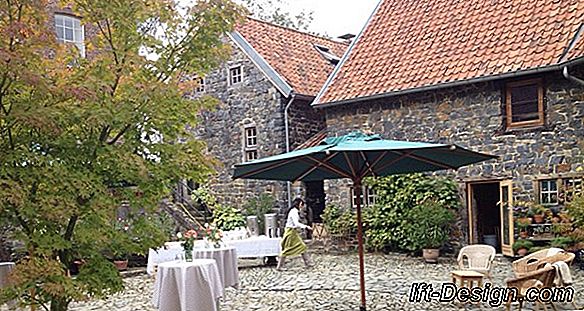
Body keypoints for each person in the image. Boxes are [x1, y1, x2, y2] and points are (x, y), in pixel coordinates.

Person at [277, 198, 314, 271]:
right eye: (301, 204)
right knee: (287, 249)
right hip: (290, 232)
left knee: (302, 246)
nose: (302, 206)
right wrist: (306, 226)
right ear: (299, 204)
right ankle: (279, 266)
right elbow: (296, 223)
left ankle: (308, 263)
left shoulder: (295, 211)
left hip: (293, 232)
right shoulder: (294, 212)